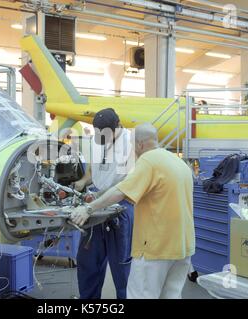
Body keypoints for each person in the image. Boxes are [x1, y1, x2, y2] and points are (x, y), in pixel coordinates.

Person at [71, 123, 195, 299]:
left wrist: (88, 208)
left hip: (155, 249)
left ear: (139, 144)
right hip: (183, 247)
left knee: (141, 295)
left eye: (131, 146)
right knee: (171, 296)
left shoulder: (148, 161)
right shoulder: (178, 162)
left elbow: (121, 191)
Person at [73, 108, 134, 299]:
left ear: (118, 126)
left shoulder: (132, 143)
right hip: (95, 207)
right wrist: (82, 182)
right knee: (88, 263)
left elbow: (127, 184)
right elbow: (94, 170)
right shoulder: (97, 140)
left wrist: (96, 199)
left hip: (121, 208)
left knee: (122, 268)